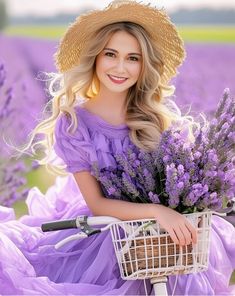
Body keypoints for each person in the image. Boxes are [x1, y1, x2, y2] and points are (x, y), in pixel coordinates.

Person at [0, 1, 234, 295]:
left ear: (144, 65)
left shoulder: (155, 120)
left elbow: (183, 182)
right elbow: (97, 204)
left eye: (132, 58)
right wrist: (157, 211)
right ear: (95, 58)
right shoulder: (74, 123)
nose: (120, 67)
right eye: (111, 54)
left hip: (160, 241)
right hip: (107, 234)